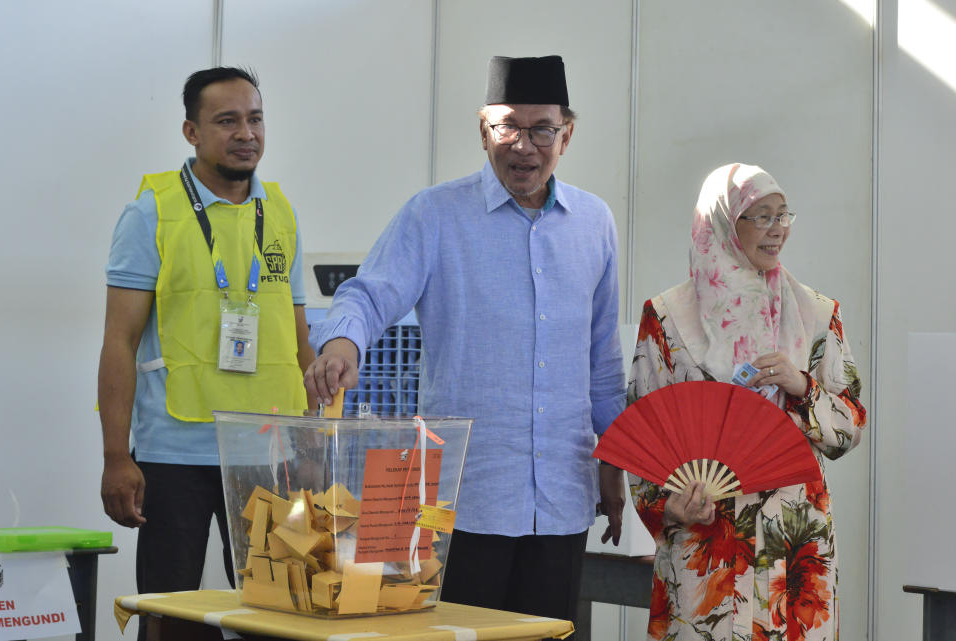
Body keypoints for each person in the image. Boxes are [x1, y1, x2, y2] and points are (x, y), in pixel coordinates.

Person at [305, 55, 626, 625]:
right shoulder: (435, 215)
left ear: (566, 135)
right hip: (464, 500)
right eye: (507, 127)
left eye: (541, 130)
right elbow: (369, 293)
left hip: (562, 498)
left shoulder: (594, 223)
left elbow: (601, 363)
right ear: (484, 131)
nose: (523, 146)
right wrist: (341, 345)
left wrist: (614, 463)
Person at [97, 67, 315, 635]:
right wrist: (116, 457)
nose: (246, 133)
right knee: (174, 619)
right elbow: (118, 341)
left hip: (271, 452)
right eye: (227, 121)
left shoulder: (281, 212)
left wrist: (315, 439)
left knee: (282, 616)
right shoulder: (152, 212)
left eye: (255, 118)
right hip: (176, 450)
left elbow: (297, 334)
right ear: (192, 131)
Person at [625, 163, 866, 640]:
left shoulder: (817, 315)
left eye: (783, 215)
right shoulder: (668, 319)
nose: (777, 230)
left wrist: (803, 387)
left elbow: (850, 427)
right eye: (761, 216)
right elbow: (642, 435)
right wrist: (671, 508)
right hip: (705, 548)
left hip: (795, 547)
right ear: (721, 222)